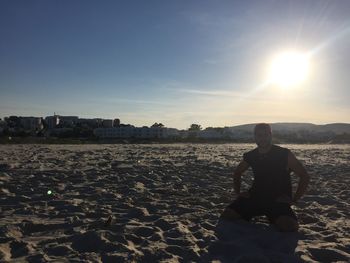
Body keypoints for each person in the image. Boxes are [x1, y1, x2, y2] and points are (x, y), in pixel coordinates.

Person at [222, 123, 310, 232]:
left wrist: (294, 200)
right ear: (255, 137)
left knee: (290, 226)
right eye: (259, 135)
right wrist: (238, 192)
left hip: (278, 199)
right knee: (227, 215)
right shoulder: (251, 155)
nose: (262, 138)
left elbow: (304, 176)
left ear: (270, 135)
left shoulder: (283, 154)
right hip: (255, 196)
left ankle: (274, 216)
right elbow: (237, 173)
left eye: (265, 135)